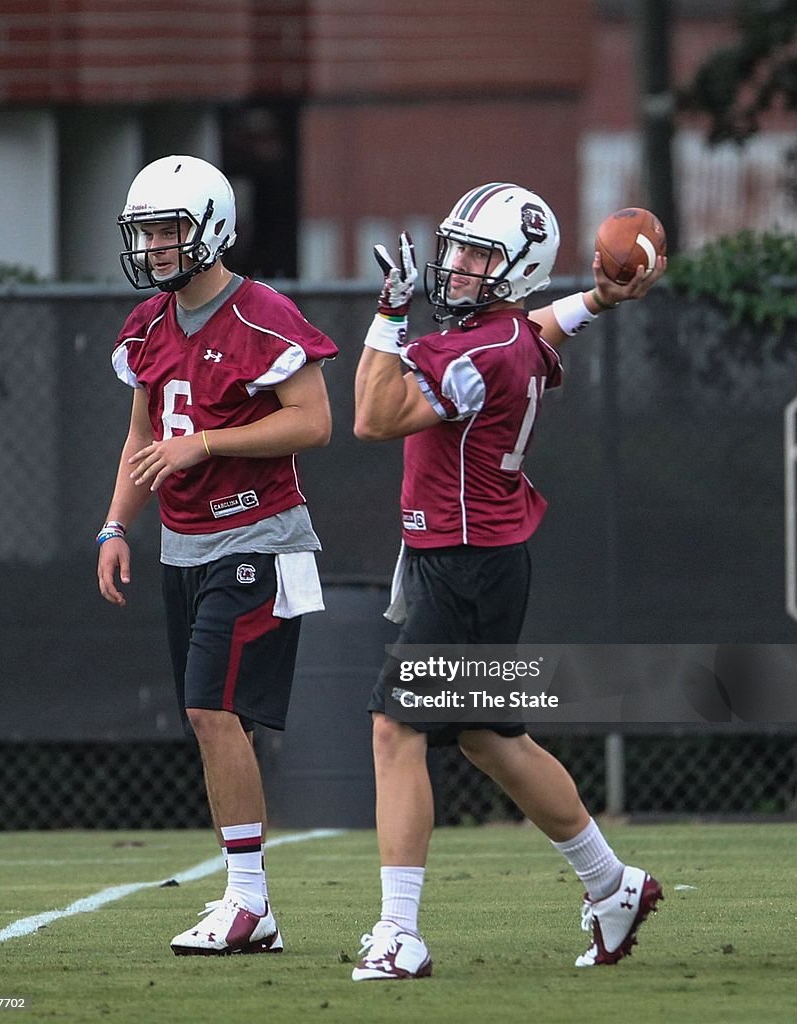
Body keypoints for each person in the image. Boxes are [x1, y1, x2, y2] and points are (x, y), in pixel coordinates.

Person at [351, 182, 667, 980]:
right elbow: (537, 324)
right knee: (490, 737)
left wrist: (389, 313)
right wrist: (597, 296)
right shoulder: (505, 337)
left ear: (516, 269)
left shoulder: (473, 353)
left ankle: (400, 933)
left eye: (477, 256)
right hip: (478, 558)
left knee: (397, 730)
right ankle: (611, 885)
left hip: (463, 562)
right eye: (455, 248)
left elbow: (372, 416)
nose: (454, 266)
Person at [97, 155, 337, 956]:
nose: (156, 247)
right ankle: (251, 902)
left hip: (261, 536)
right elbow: (141, 439)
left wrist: (206, 443)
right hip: (184, 546)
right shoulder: (148, 324)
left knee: (211, 710)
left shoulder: (265, 313)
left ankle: (247, 899)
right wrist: (114, 527)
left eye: (169, 231)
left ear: (212, 229)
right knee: (209, 719)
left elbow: (312, 421)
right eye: (147, 233)